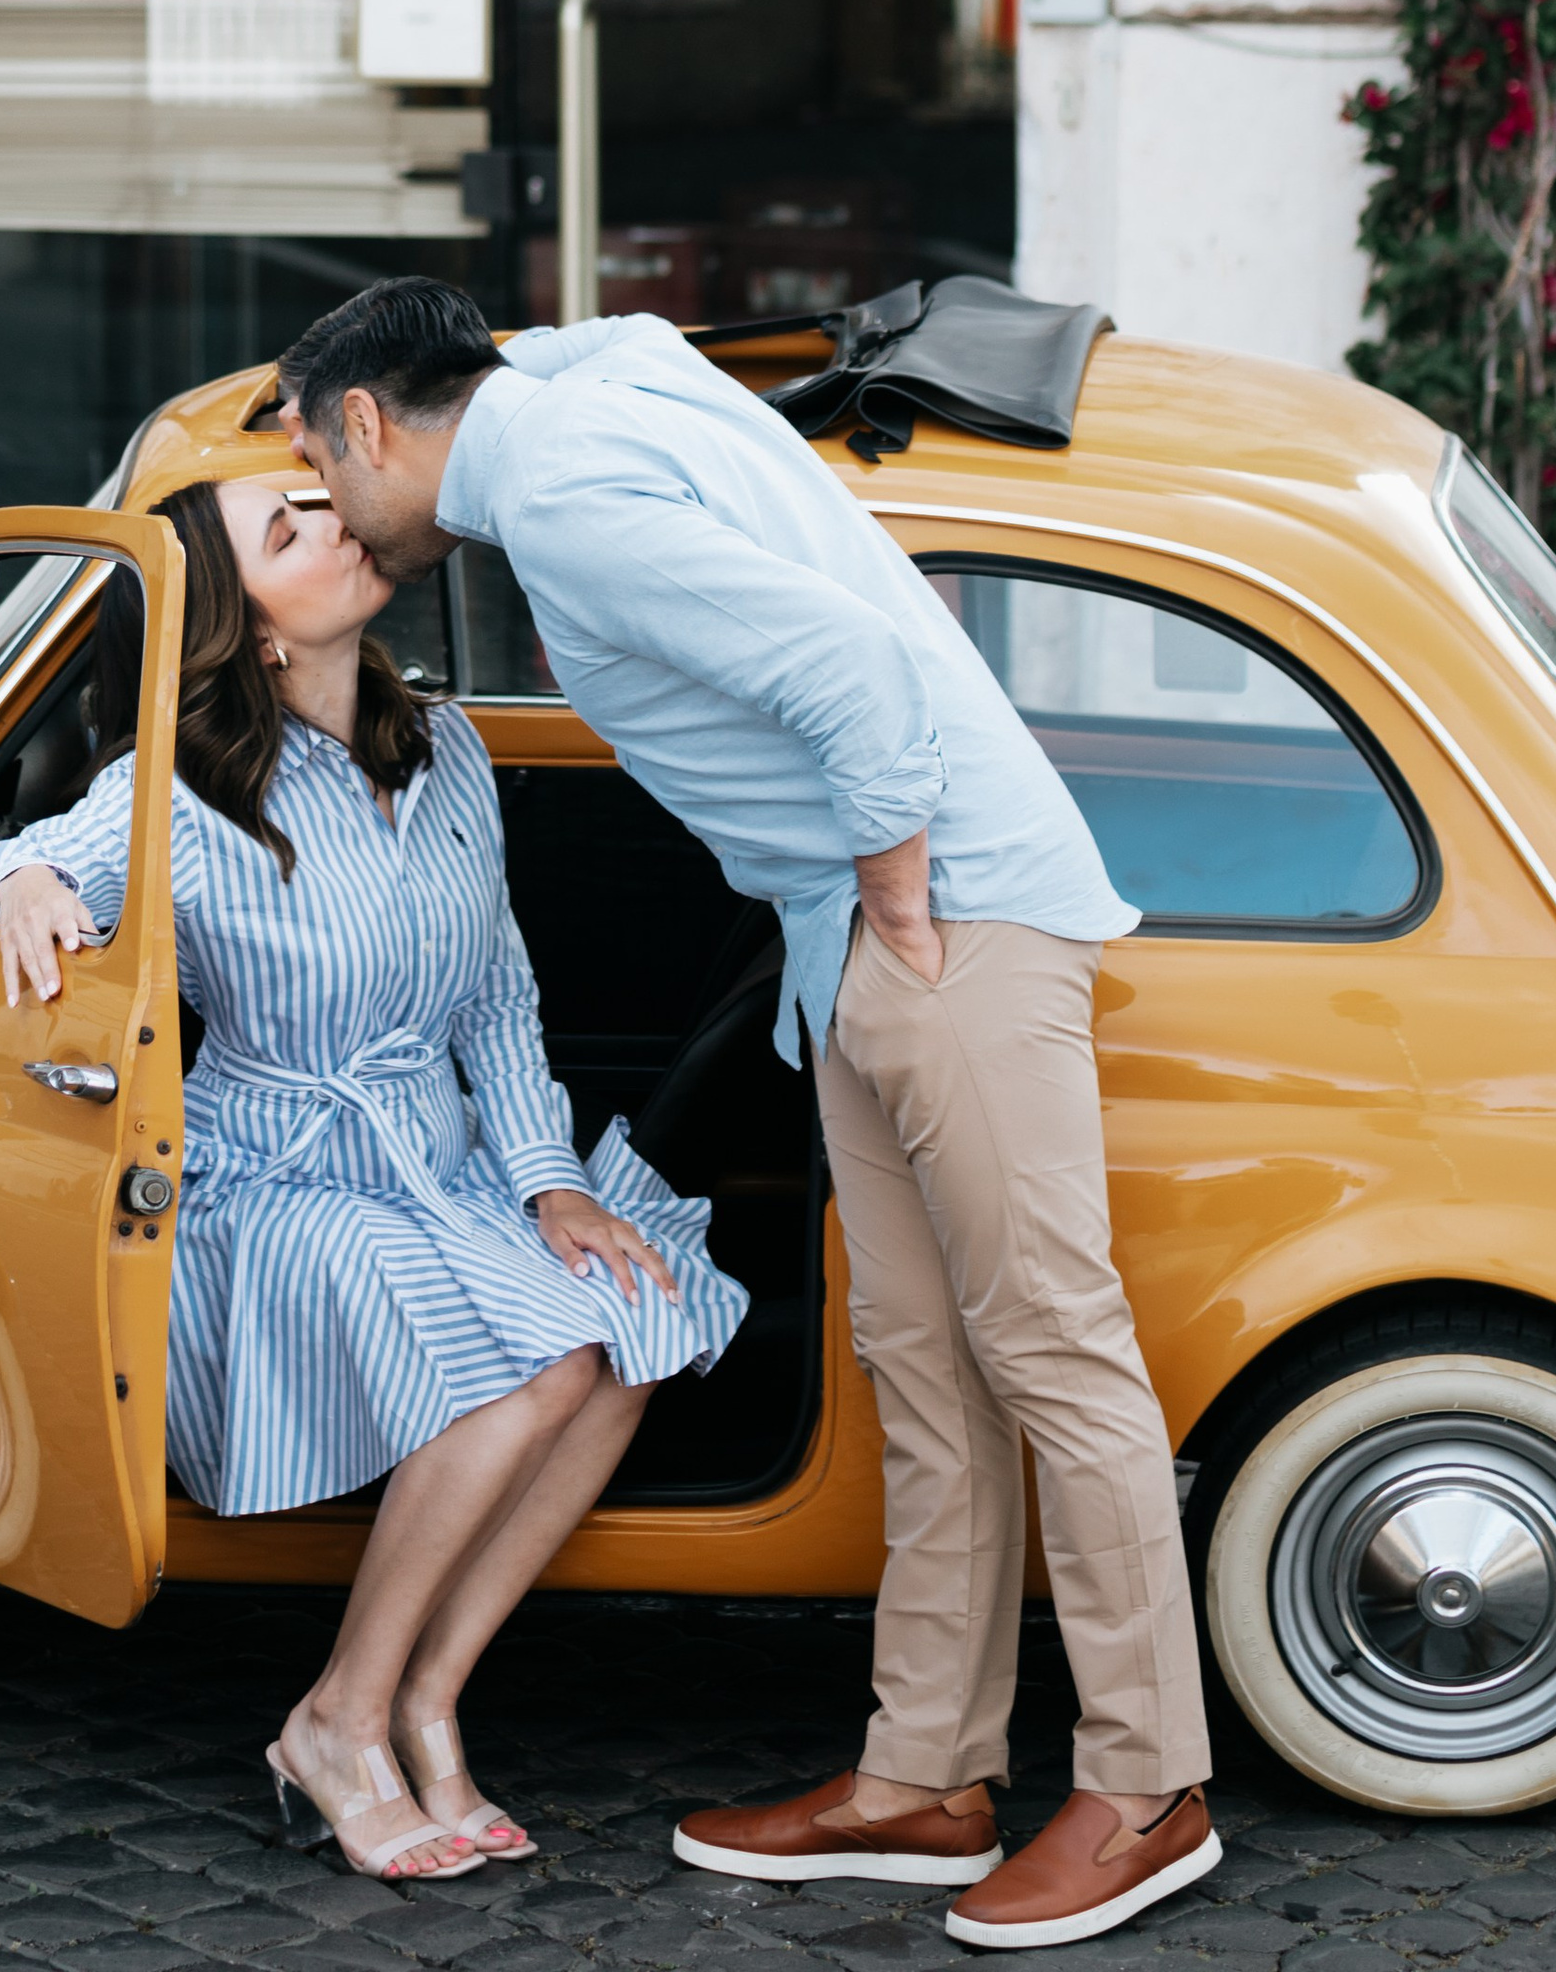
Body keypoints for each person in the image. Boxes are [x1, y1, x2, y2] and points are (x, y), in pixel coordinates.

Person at [277, 278, 1220, 1957]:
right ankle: (926, 1772)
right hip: (856, 935)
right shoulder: (585, 395)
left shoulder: (556, 490)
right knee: (924, 1366)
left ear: (367, 421)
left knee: (1053, 1351)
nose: (325, 512)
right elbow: (615, 327)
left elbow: (855, 669)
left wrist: (898, 895)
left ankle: (1147, 1790)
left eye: (314, 462)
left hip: (946, 916)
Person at [0, 470, 746, 1888]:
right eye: (293, 527)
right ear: (254, 629)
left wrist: (548, 1182)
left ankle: (427, 1699)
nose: (339, 524)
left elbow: (498, 998)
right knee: (539, 1360)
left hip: (438, 1161)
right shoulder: (174, 783)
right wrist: (22, 881)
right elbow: (19, 855)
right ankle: (335, 1716)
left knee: (626, 1317)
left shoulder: (440, 750)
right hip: (268, 1184)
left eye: (329, 502)